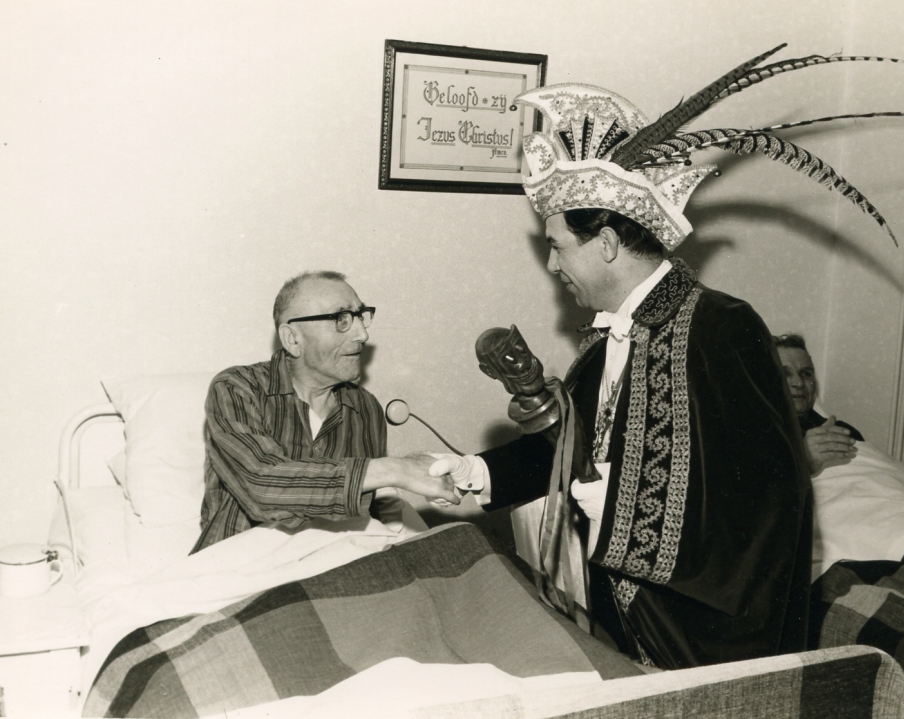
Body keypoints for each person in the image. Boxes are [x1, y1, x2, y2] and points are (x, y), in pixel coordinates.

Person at [431, 80, 815, 670]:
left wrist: (622, 506)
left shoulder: (723, 326)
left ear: (607, 244)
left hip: (702, 635)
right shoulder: (605, 340)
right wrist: (478, 472)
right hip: (624, 621)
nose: (552, 264)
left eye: (558, 246)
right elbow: (567, 447)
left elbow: (768, 499)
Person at [191, 271, 461, 553]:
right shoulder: (238, 387)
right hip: (241, 565)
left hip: (334, 564)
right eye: (341, 319)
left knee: (462, 546)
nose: (363, 334)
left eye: (361, 316)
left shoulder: (365, 408)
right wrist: (396, 469)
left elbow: (371, 513)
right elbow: (264, 486)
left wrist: (428, 477)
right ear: (293, 339)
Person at [772, 334, 862, 476]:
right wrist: (802, 461)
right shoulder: (752, 435)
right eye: (785, 374)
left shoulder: (842, 431)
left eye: (806, 374)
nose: (799, 383)